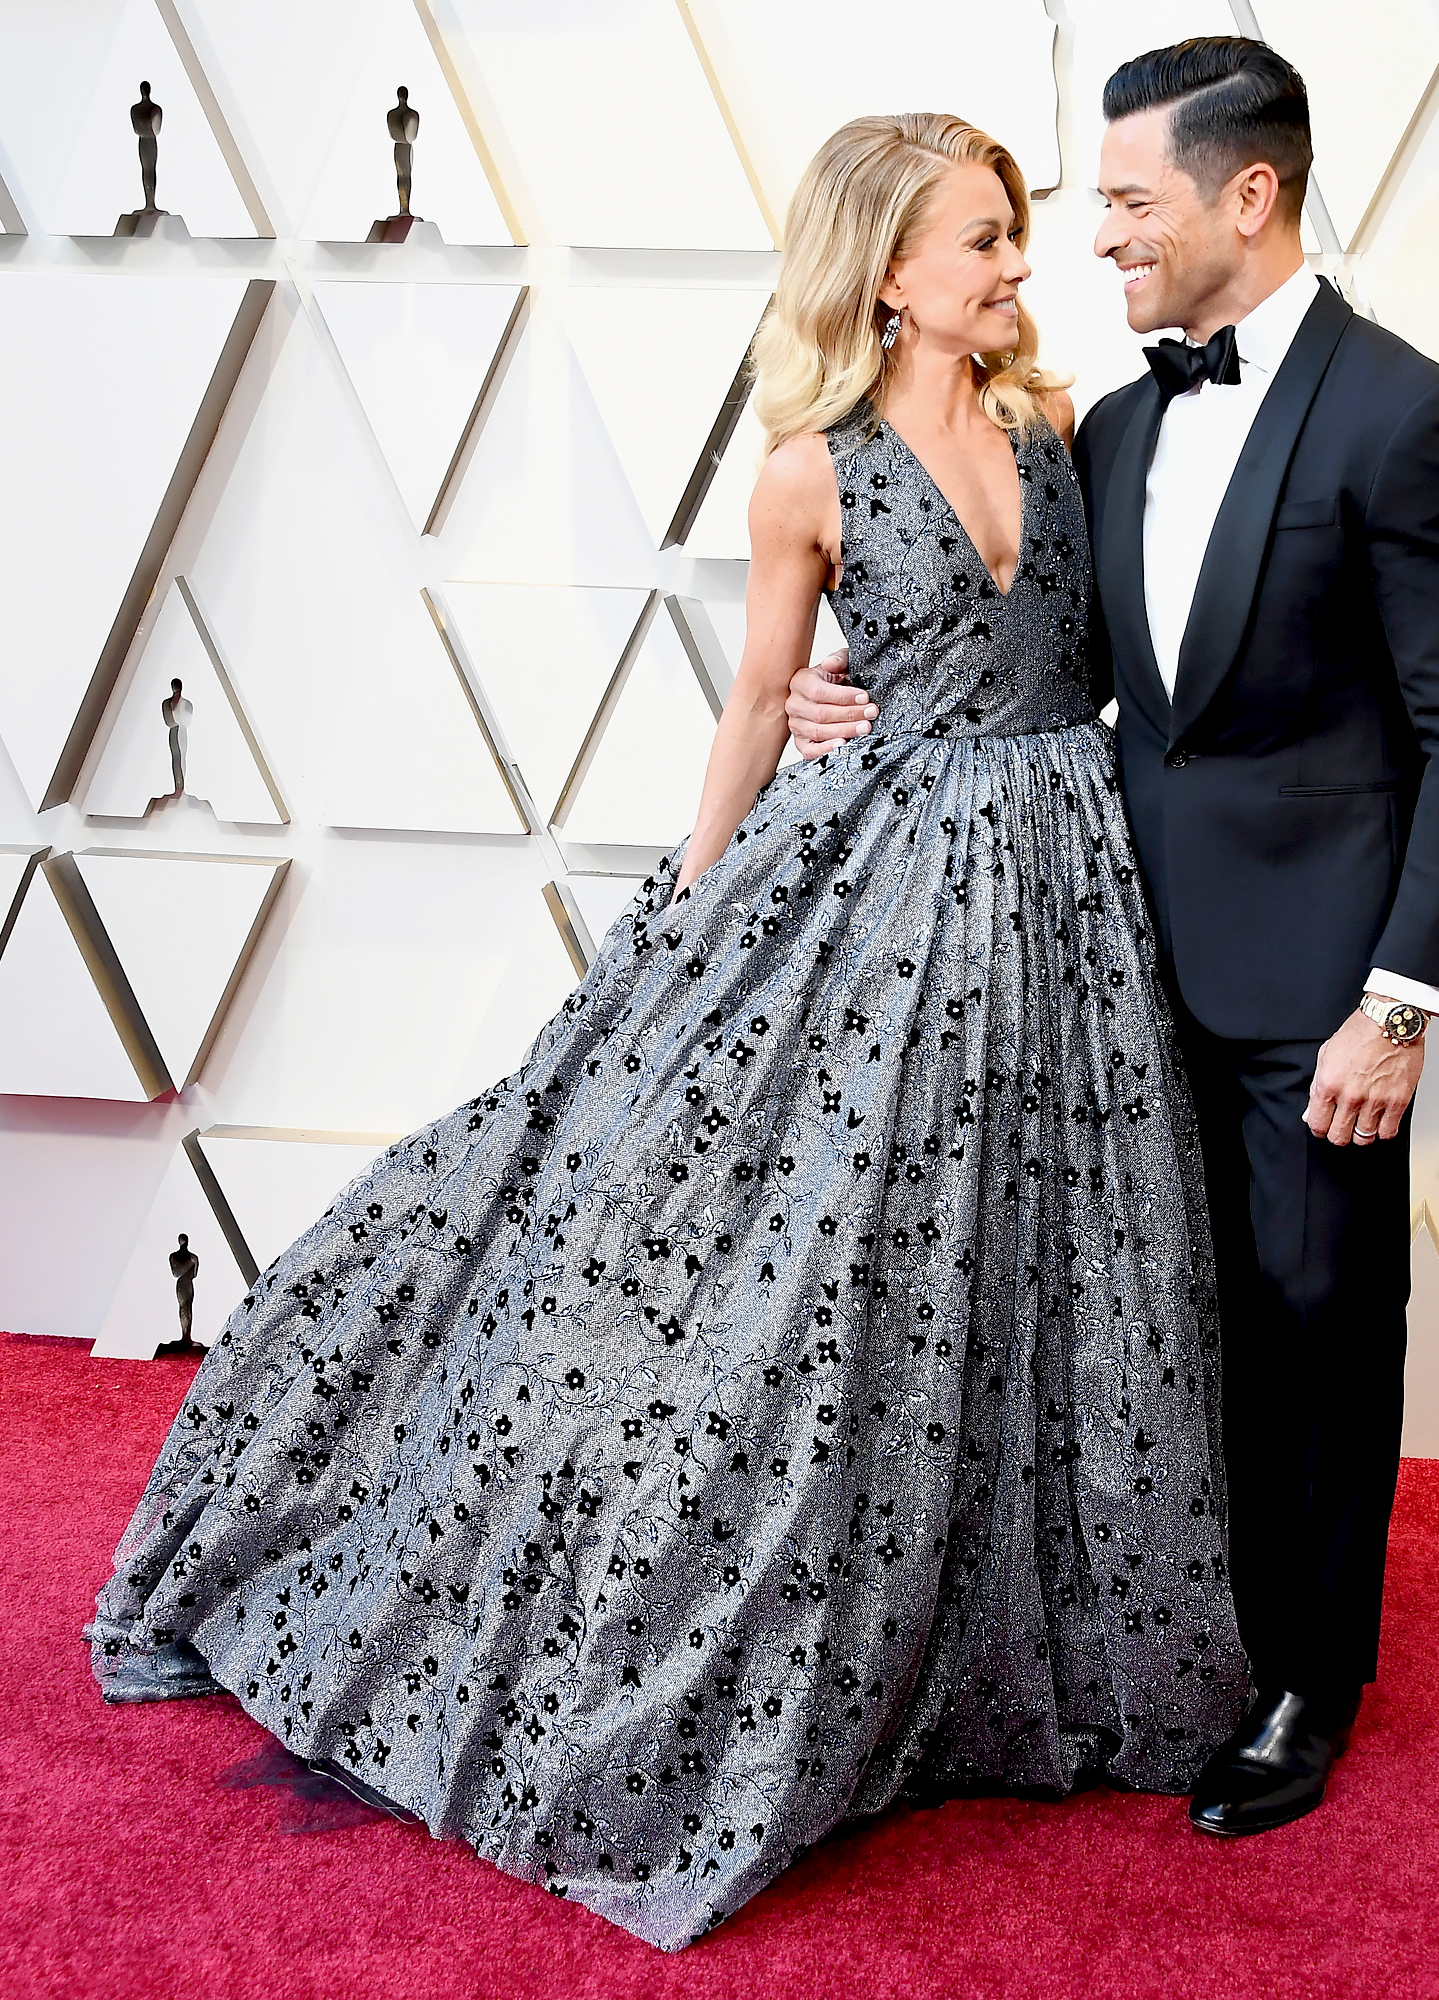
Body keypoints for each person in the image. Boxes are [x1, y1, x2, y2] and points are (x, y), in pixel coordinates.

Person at [87, 114, 1249, 1949]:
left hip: (1068, 880)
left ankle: (1023, 1647)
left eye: (1016, 233)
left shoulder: (1059, 425)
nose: (1017, 265)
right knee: (826, 1269)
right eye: (980, 239)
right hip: (890, 888)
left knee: (1054, 1267)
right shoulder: (808, 473)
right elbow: (760, 701)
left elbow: (1097, 657)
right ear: (887, 269)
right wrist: (693, 910)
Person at [787, 41, 1439, 1839]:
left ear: (1246, 194)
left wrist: (1398, 1006)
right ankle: (1160, 1635)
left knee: (1317, 1321)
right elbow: (1048, 672)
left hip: (1325, 990)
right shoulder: (1106, 430)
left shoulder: (1409, 415)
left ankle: (1307, 1681)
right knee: (1155, 1325)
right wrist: (845, 689)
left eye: (1130, 199)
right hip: (1110, 964)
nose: (1101, 234)